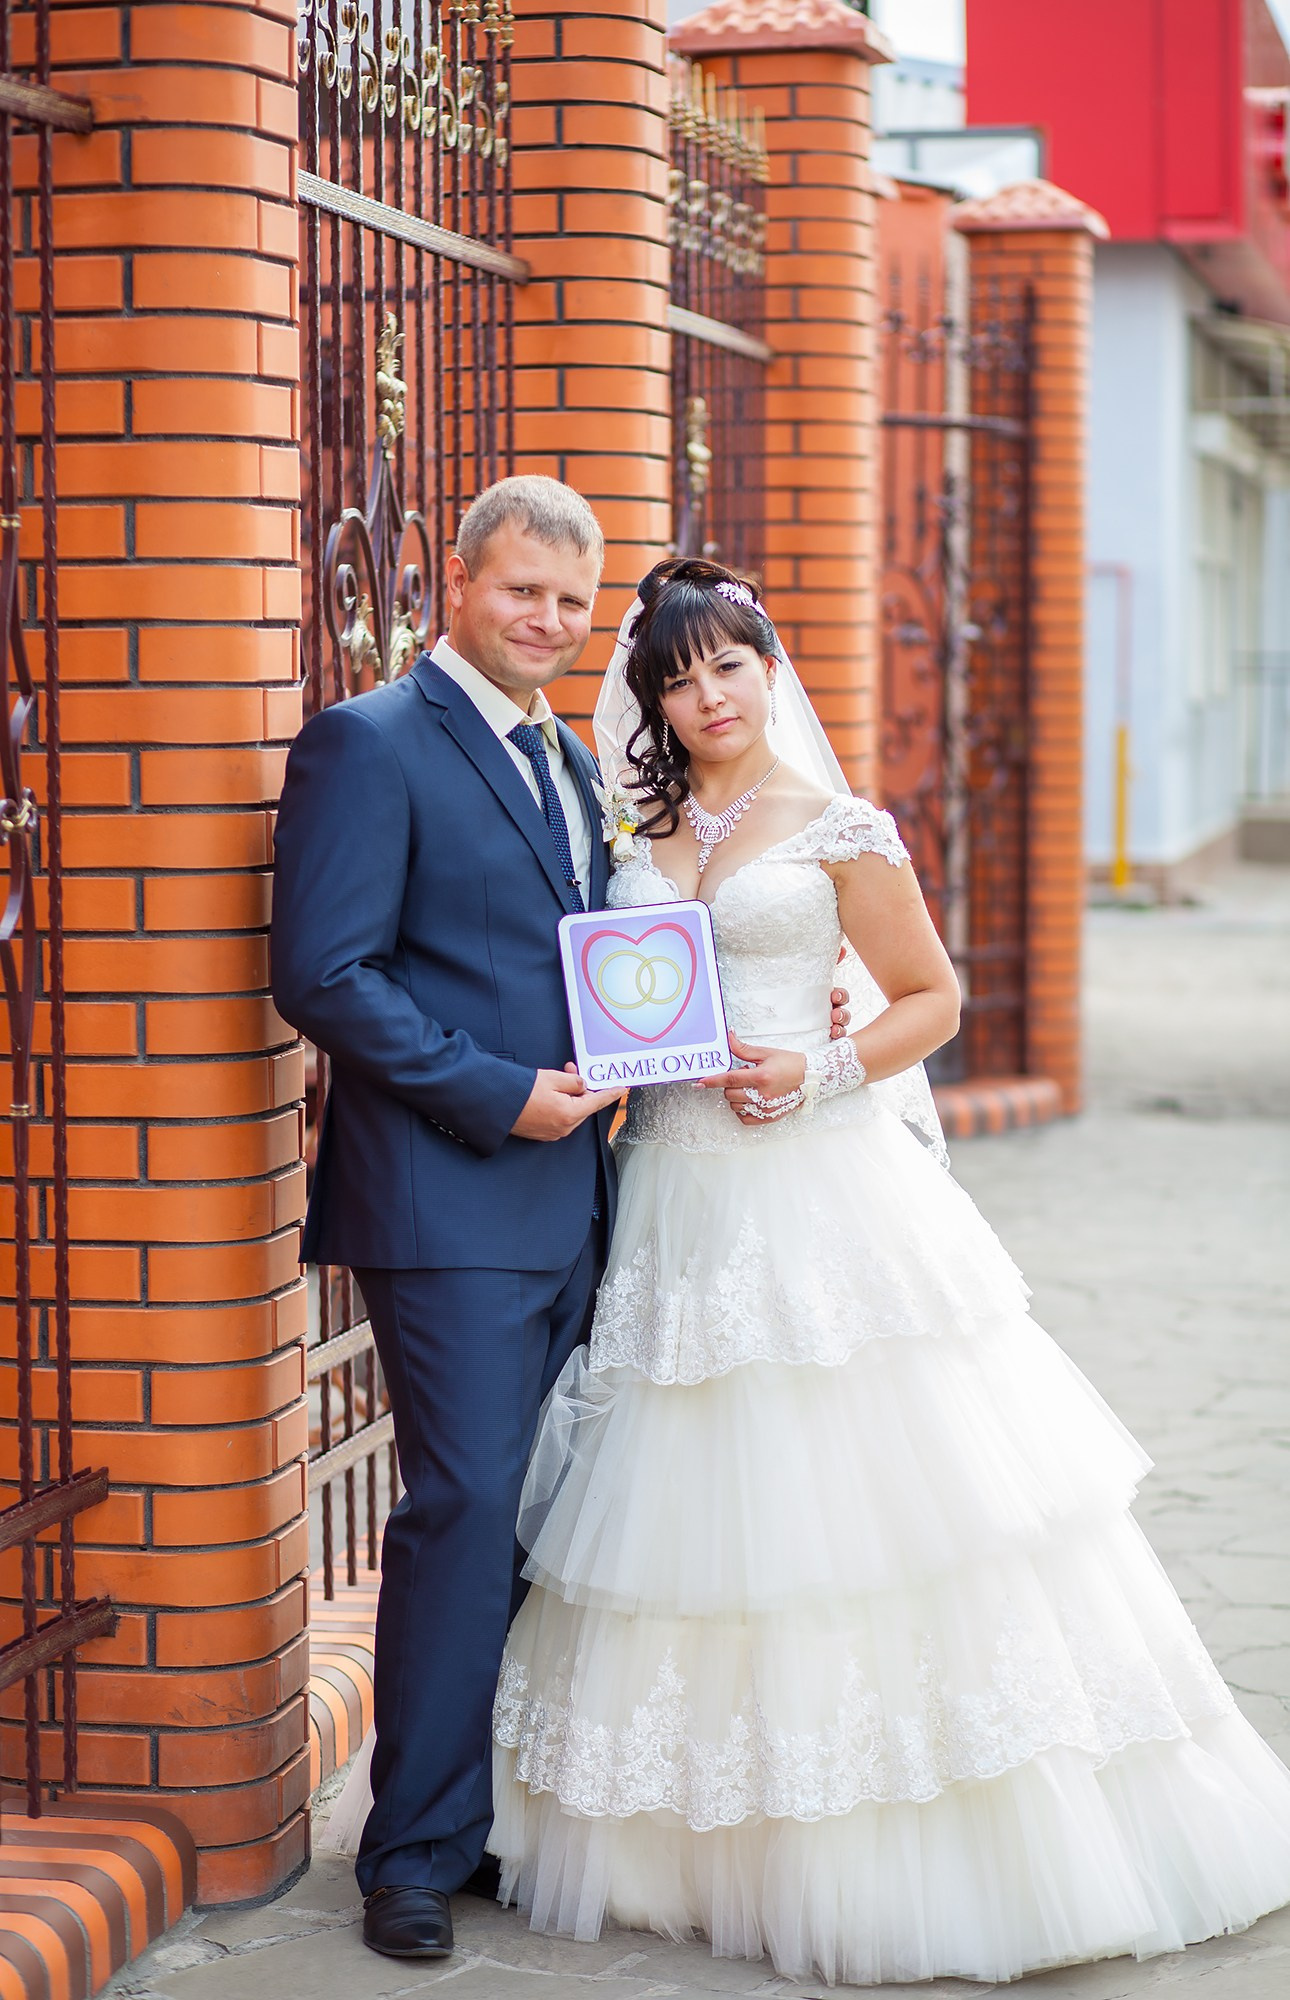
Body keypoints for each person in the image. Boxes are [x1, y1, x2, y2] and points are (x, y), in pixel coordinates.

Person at [486, 557, 1290, 1985]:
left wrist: (814, 1071)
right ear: (650, 697)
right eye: (676, 676)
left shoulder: (837, 826)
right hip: (669, 1189)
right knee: (685, 1504)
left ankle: (905, 1840)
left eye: (727, 665)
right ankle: (690, 1844)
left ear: (767, 669)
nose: (705, 696)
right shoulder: (630, 824)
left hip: (814, 1191)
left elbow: (933, 1000)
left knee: (852, 1496)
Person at [273, 482, 855, 1961]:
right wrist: (498, 1092)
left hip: (591, 1195)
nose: (545, 620)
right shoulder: (369, 742)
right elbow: (325, 974)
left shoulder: (571, 759)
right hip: (446, 1199)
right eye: (519, 589)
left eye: (570, 603)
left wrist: (805, 1010)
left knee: (553, 1514)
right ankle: (409, 1855)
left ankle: (488, 1819)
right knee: (466, 1507)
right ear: (455, 583)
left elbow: (631, 956)